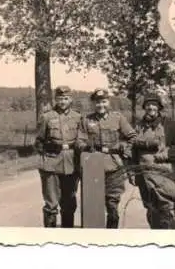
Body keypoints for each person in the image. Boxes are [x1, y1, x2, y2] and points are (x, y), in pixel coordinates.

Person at [76, 88, 136, 228]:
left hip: (114, 165)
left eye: (103, 101)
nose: (101, 105)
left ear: (108, 102)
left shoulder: (118, 118)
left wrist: (124, 148)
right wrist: (86, 147)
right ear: (93, 104)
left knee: (112, 204)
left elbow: (132, 136)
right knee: (94, 206)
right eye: (97, 102)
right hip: (93, 167)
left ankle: (111, 236)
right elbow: (79, 141)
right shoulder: (86, 120)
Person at [132, 92, 175, 229]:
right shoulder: (139, 126)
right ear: (144, 107)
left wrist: (162, 156)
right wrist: (133, 173)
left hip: (165, 176)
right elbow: (132, 149)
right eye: (148, 104)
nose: (151, 107)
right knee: (152, 211)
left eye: (154, 104)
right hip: (144, 177)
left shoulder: (170, 124)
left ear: (159, 107)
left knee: (167, 210)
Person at [34, 86, 80, 228]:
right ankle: (51, 238)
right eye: (60, 98)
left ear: (70, 99)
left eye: (66, 98)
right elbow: (38, 141)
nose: (62, 101)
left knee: (69, 202)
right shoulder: (47, 117)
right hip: (51, 164)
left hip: (71, 164)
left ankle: (67, 236)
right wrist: (47, 151)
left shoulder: (78, 117)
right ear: (56, 99)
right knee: (51, 203)